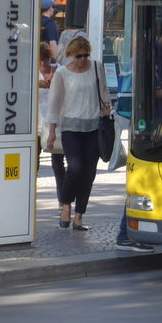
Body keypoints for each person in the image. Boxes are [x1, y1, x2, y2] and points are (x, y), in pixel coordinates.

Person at [45, 36, 111, 231]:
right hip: (71, 129)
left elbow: (104, 93)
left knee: (89, 173)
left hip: (94, 128)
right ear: (70, 55)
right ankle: (65, 205)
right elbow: (54, 103)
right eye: (78, 56)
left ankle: (79, 216)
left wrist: (108, 111)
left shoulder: (97, 68)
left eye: (85, 55)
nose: (82, 60)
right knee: (75, 168)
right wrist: (51, 132)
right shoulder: (63, 73)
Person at [37, 41, 65, 201]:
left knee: (58, 165)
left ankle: (63, 201)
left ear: (49, 58)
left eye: (44, 60)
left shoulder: (59, 72)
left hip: (55, 125)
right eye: (38, 61)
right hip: (37, 126)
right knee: (33, 164)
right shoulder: (32, 75)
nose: (42, 65)